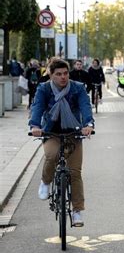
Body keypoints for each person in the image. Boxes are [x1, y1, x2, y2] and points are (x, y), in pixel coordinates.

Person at [28, 58, 94, 227]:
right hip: (51, 131)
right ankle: (45, 181)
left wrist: (88, 124)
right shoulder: (44, 89)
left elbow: (85, 106)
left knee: (74, 172)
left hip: (73, 131)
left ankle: (77, 211)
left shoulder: (77, 88)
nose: (63, 77)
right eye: (58, 74)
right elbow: (37, 107)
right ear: (51, 75)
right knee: (51, 155)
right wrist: (35, 125)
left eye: (65, 73)